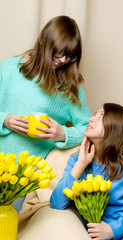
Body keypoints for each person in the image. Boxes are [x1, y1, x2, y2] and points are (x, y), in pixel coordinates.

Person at [0, 15, 91, 212]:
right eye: (58, 53)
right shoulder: (8, 68)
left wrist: (63, 134)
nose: (62, 61)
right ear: (42, 38)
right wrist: (4, 119)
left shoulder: (68, 87)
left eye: (70, 56)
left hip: (24, 182)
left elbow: (88, 127)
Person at [50, 103, 123, 240]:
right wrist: (81, 164)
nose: (91, 118)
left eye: (101, 115)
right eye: (95, 114)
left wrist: (112, 230)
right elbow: (57, 203)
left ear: (117, 128)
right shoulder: (77, 162)